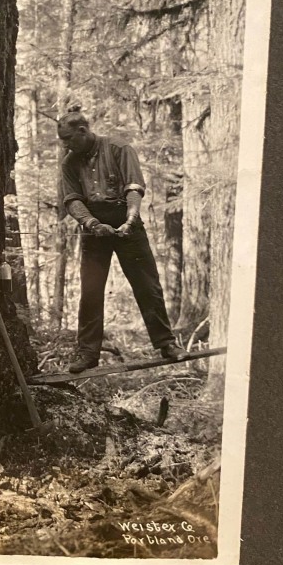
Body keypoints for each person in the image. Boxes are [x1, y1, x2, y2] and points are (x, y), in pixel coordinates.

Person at [57, 108, 182, 374]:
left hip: (128, 223)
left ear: (83, 131)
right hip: (93, 229)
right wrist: (92, 224)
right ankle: (88, 354)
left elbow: (134, 187)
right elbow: (72, 200)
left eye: (68, 139)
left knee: (147, 286)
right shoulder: (69, 163)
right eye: (62, 141)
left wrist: (131, 217)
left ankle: (167, 343)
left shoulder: (118, 148)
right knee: (90, 292)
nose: (66, 145)